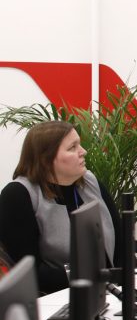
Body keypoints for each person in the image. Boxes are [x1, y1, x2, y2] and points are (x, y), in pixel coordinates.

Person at [0, 121, 120, 295]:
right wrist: (86, 276)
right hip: (53, 298)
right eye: (72, 147)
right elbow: (29, 273)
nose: (83, 151)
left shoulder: (89, 182)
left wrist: (132, 287)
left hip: (106, 292)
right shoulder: (18, 195)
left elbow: (121, 246)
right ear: (46, 159)